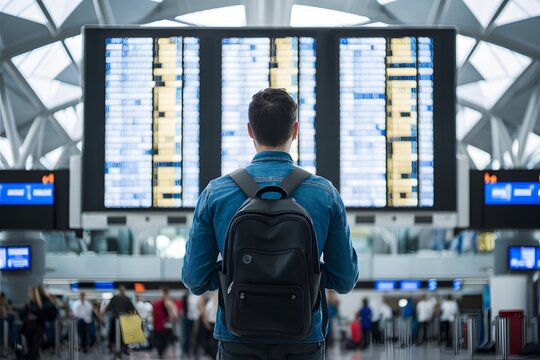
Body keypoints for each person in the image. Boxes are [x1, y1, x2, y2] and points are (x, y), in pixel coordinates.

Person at [182, 88, 359, 360]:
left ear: (250, 130)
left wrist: (234, 273)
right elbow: (345, 280)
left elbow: (194, 280)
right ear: (295, 130)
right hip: (303, 340)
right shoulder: (324, 194)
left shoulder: (216, 193)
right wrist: (305, 272)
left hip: (236, 339)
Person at [20, 286, 57, 360]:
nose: (29, 294)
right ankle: (32, 355)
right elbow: (23, 314)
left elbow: (52, 314)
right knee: (30, 346)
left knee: (34, 347)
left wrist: (37, 316)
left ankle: (33, 355)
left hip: (39, 326)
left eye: (30, 292)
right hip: (29, 326)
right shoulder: (30, 302)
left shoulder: (45, 302)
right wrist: (28, 316)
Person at [102, 285, 135, 354]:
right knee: (124, 336)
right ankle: (124, 349)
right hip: (124, 320)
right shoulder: (127, 298)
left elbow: (108, 308)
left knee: (113, 335)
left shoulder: (115, 298)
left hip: (115, 319)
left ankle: (114, 349)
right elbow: (132, 310)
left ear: (119, 291)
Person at [152, 287, 178, 358]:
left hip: (165, 326)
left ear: (166, 293)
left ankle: (164, 355)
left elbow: (173, 315)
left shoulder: (168, 303)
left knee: (164, 342)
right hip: (161, 326)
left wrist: (167, 321)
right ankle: (162, 354)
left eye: (162, 293)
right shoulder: (164, 302)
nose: (161, 295)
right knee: (162, 342)